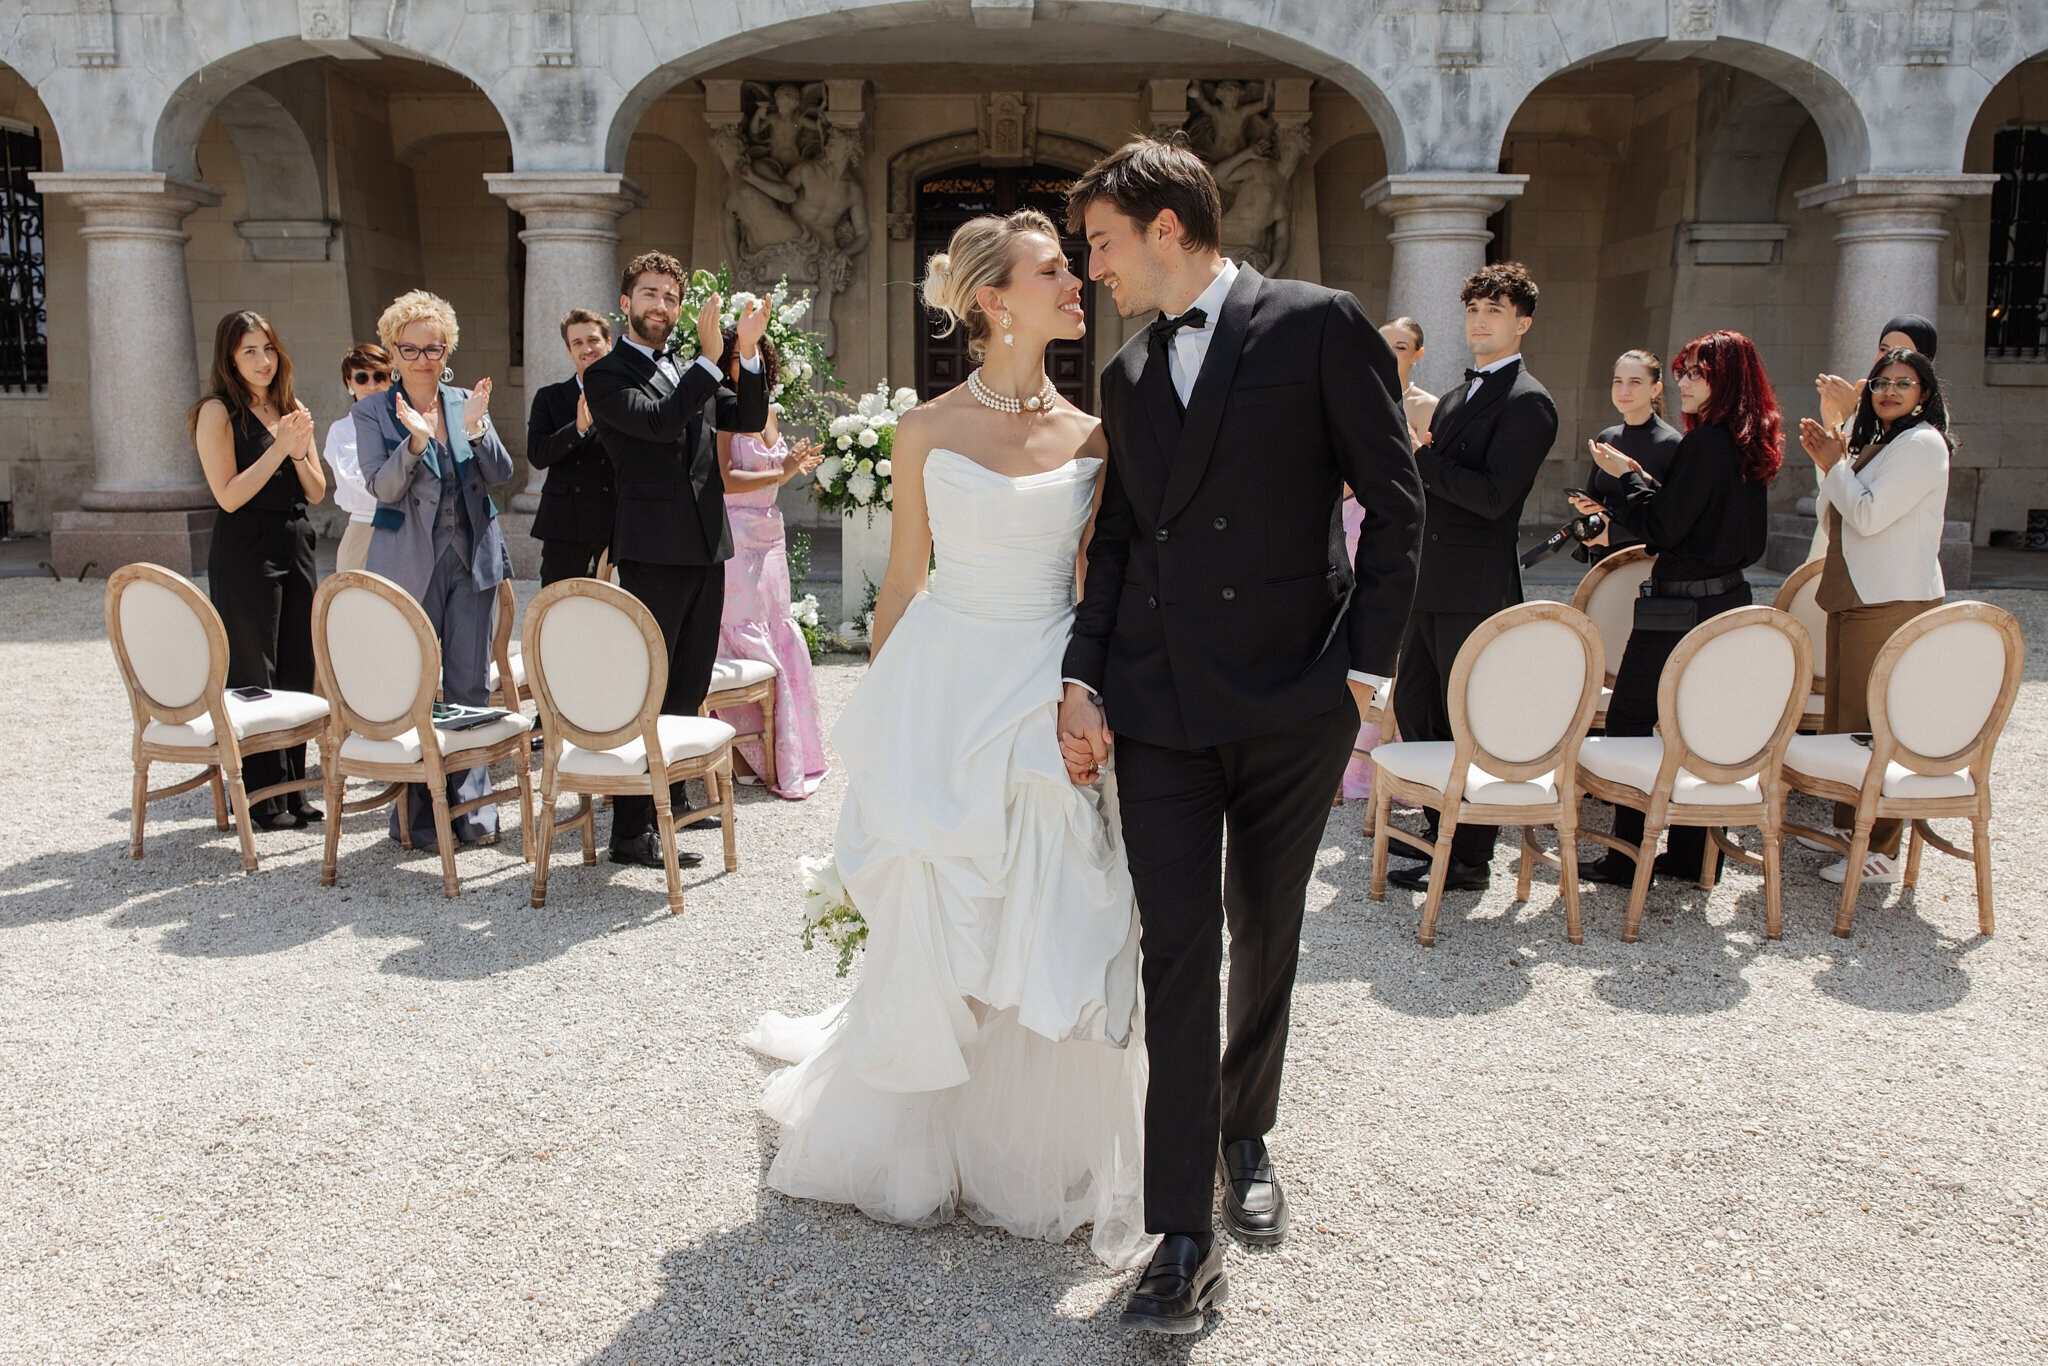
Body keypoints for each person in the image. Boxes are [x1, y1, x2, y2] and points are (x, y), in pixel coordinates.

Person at [1059, 137, 1422, 1331]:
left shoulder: (1317, 324)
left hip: (1291, 697)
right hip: (1158, 703)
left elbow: (1394, 500)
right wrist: (1081, 675)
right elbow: (1116, 539)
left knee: (1265, 928)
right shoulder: (1123, 372)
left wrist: (1360, 673)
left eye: (1102, 242)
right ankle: (1179, 1236)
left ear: (1168, 227)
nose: (1092, 268)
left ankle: (1245, 1133)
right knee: (1177, 947)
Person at [744, 210, 1149, 1270]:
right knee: (938, 895)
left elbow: (1086, 586)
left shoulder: (1094, 435)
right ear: (991, 300)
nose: (1076, 284)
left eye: (1073, 269)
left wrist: (1088, 691)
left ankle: (1026, 1143)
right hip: (948, 679)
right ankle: (921, 1136)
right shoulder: (923, 430)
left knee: (1050, 893)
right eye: (1053, 271)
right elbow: (905, 586)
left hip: (1044, 686)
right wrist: (889, 722)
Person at [583, 252, 768, 871]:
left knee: (689, 682)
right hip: (652, 549)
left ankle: (674, 793)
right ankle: (630, 830)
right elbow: (661, 425)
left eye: (669, 296)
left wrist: (746, 352)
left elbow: (745, 417)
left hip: (705, 544)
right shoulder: (607, 376)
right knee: (649, 682)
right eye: (648, 294)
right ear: (626, 303)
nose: (659, 305)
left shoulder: (686, 367)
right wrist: (711, 359)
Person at [1578, 330, 1781, 889]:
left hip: (1679, 604)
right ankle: (1691, 855)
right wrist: (1643, 480)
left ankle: (1624, 855)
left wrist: (1628, 481)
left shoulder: (1706, 443)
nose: (1684, 383)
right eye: (1683, 371)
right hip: (1729, 599)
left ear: (1727, 379)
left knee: (1629, 718)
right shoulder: (1748, 441)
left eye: (1697, 372)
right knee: (1699, 723)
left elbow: (1663, 527)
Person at [1387, 262, 1558, 894]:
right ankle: (1443, 829)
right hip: (1429, 578)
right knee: (1417, 706)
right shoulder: (1458, 396)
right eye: (1473, 310)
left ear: (1523, 322)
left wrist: (1423, 458)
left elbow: (1492, 497)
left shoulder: (1529, 402)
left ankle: (1470, 858)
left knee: (1470, 721)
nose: (1480, 321)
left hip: (1477, 585)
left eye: (1494, 310)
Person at [354, 290, 514, 850]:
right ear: (393, 353)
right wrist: (416, 443)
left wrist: (473, 428)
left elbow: (501, 471)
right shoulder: (372, 411)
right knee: (417, 686)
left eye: (434, 348)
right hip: (409, 562)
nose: (423, 358)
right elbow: (383, 488)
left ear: (448, 350)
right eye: (411, 348)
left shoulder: (466, 399)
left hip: (471, 557)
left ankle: (471, 810)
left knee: (470, 683)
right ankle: (417, 817)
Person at [1795, 348, 1951, 886]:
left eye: (1902, 383)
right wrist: (1836, 461)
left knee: (1874, 725)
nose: (1888, 390)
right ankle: (1851, 828)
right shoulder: (1883, 442)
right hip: (1854, 594)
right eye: (1881, 382)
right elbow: (1834, 507)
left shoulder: (1923, 445)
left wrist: (1835, 463)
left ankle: (1880, 849)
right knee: (1844, 720)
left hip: (1891, 599)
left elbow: (1866, 515)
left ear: (1923, 394)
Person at [193, 311, 324, 830]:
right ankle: (260, 798)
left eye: (268, 348)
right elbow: (227, 496)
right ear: (229, 357)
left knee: (296, 665)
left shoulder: (292, 409)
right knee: (254, 671)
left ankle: (294, 791)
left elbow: (316, 490)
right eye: (249, 351)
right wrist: (279, 449)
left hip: (296, 540)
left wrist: (297, 451)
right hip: (245, 547)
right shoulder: (216, 412)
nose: (263, 360)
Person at [711, 328, 828, 799]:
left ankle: (788, 752)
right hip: (736, 535)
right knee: (741, 634)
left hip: (771, 532)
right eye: (738, 355)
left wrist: (794, 466)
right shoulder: (722, 410)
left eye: (753, 354)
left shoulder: (770, 411)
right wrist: (781, 470)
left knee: (778, 629)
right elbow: (724, 477)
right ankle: (741, 752)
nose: (745, 362)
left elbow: (772, 475)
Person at [1809, 314, 1937, 560]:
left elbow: (1868, 500)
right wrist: (1833, 421)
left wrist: (1852, 414)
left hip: (1883, 557)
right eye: (1884, 349)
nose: (1889, 359)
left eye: (1902, 351)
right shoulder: (1867, 396)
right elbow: (1830, 481)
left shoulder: (1923, 434)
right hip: (1838, 542)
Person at [525, 308, 618, 585]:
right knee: (558, 611)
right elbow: (538, 455)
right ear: (569, 351)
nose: (586, 349)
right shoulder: (549, 398)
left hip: (614, 522)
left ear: (608, 343)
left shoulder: (629, 395)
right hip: (564, 525)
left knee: (616, 615)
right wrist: (577, 429)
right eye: (577, 343)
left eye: (593, 340)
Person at [1569, 349, 1682, 563]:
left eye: (1635, 382)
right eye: (1617, 381)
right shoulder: (1607, 437)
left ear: (1655, 389)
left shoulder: (1670, 443)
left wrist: (1614, 534)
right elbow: (1596, 496)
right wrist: (1586, 506)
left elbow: (1674, 517)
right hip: (1601, 556)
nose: (1624, 390)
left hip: (1646, 560)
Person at [323, 343, 393, 576]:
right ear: (349, 383)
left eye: (379, 376)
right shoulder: (342, 430)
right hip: (366, 527)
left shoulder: (407, 423)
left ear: (390, 380)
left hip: (411, 528)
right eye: (362, 377)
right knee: (358, 607)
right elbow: (359, 477)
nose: (372, 385)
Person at [1378, 315, 1438, 448]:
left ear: (1417, 355)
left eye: (1400, 347)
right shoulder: (1355, 395)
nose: (1388, 352)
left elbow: (1425, 464)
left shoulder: (1426, 405)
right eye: (1381, 344)